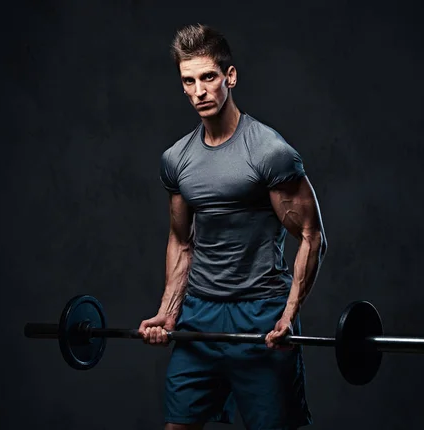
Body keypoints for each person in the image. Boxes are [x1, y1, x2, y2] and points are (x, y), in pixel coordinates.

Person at [138, 23, 328, 430]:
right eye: (188, 81)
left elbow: (312, 237)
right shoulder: (177, 160)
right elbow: (180, 240)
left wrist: (289, 315)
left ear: (230, 76)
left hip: (258, 316)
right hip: (199, 318)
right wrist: (167, 313)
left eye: (208, 77)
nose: (199, 91)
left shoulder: (269, 152)